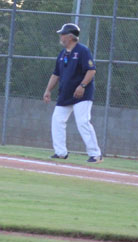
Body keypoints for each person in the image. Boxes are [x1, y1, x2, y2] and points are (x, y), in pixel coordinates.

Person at [42, 22, 102, 163]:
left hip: (82, 95)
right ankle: (61, 152)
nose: (60, 37)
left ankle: (95, 154)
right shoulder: (62, 54)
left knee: (82, 122)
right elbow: (56, 74)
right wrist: (48, 90)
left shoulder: (82, 51)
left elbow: (91, 70)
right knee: (57, 120)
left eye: (62, 34)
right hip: (66, 94)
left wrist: (82, 86)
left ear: (69, 37)